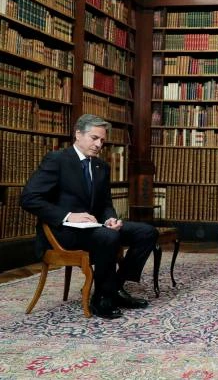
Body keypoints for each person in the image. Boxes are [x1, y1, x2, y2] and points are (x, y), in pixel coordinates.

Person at [21, 114, 157, 320]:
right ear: (78, 134)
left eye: (102, 140)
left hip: (94, 228)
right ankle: (100, 300)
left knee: (147, 232)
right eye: (94, 138)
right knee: (108, 237)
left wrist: (111, 218)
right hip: (63, 232)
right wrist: (68, 215)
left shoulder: (101, 167)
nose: (98, 144)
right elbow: (29, 198)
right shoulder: (57, 160)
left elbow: (105, 205)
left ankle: (114, 288)